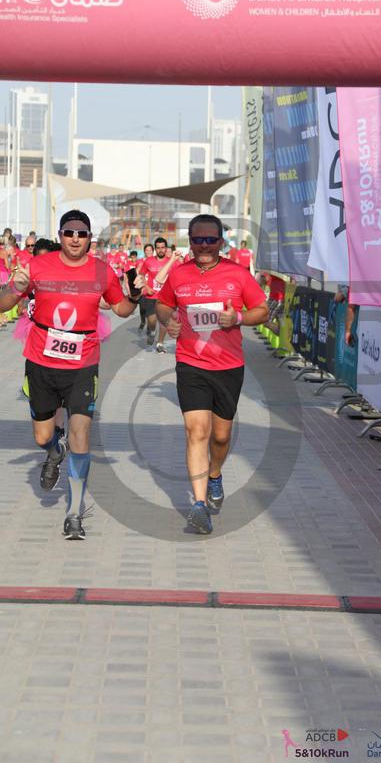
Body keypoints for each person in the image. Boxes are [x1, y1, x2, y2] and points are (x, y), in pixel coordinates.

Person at [0, 209, 144, 540]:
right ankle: (53, 451)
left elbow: (121, 309)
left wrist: (135, 296)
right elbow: (2, 305)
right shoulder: (38, 266)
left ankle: (75, 512)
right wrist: (14, 287)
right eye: (69, 233)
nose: (75, 239)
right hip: (41, 361)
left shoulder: (102, 271)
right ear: (60, 235)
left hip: (83, 364)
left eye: (82, 234)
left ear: (90, 238)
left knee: (80, 435)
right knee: (42, 436)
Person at [156, 214, 269, 534]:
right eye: (197, 240)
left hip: (228, 366)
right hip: (190, 363)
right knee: (197, 432)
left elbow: (262, 310)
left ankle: (215, 473)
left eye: (210, 240)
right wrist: (169, 320)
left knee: (220, 437)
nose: (204, 246)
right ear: (190, 242)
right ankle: (199, 504)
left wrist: (239, 319)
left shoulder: (238, 274)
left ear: (221, 241)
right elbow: (163, 304)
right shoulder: (179, 274)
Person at [140, 237, 169, 346]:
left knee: (163, 321)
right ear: (155, 249)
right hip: (151, 296)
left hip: (166, 297)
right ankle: (152, 331)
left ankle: (160, 343)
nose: (160, 250)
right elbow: (141, 274)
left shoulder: (172, 262)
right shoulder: (148, 261)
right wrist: (146, 287)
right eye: (158, 248)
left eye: (163, 247)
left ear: (166, 248)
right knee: (152, 320)